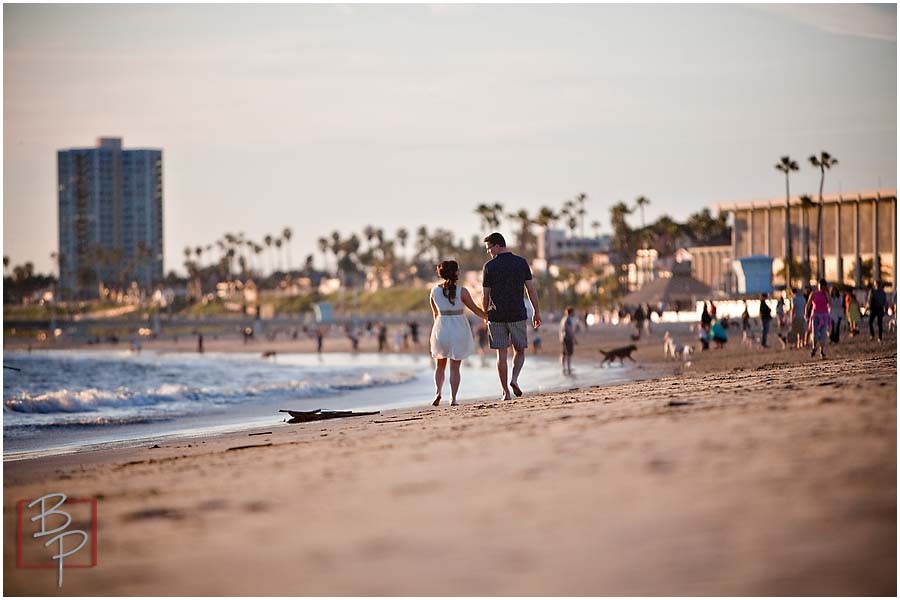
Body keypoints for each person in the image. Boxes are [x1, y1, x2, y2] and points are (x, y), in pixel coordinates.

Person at [481, 232, 542, 400]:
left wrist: (484, 313)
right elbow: (531, 290)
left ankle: (505, 392)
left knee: (501, 354)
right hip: (517, 313)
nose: (489, 252)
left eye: (489, 248)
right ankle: (514, 379)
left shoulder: (489, 267)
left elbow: (484, 295)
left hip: (496, 315)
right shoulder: (521, 263)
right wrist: (536, 311)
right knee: (519, 350)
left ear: (497, 245)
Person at [430, 260, 488, 406]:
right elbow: (475, 310)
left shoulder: (434, 291)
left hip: (441, 328)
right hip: (458, 329)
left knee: (440, 366)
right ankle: (453, 398)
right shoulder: (462, 291)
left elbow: (435, 315)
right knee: (455, 367)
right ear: (456, 273)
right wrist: (488, 317)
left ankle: (438, 393)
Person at [806, 278, 832, 359]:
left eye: (823, 286)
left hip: (824, 315)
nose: (821, 288)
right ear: (818, 285)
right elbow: (808, 304)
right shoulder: (813, 293)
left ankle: (822, 351)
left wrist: (827, 294)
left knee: (823, 334)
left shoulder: (826, 294)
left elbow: (830, 303)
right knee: (815, 333)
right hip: (815, 315)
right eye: (820, 286)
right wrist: (806, 313)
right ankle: (814, 347)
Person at [559, 306, 578, 375]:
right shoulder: (569, 319)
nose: (574, 313)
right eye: (573, 312)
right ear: (571, 312)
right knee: (569, 353)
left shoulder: (563, 319)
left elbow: (561, 329)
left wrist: (561, 338)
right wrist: (574, 339)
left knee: (564, 353)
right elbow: (570, 330)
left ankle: (564, 368)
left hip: (563, 338)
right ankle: (568, 368)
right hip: (568, 338)